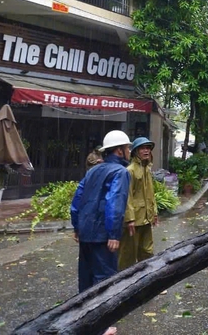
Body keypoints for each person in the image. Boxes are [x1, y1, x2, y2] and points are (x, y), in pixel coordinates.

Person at [70, 130, 131, 335]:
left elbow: (77, 200)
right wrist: (114, 234)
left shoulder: (93, 171)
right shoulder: (120, 172)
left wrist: (77, 226)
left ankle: (83, 322)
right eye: (128, 147)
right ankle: (102, 326)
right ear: (120, 150)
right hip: (103, 234)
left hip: (86, 232)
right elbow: (115, 203)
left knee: (86, 279)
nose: (130, 151)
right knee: (105, 280)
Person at [118, 137, 158, 271]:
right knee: (128, 254)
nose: (146, 151)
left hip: (146, 218)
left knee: (147, 251)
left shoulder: (147, 169)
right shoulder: (130, 170)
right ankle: (123, 283)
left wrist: (154, 213)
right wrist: (129, 219)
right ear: (135, 151)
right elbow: (127, 196)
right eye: (142, 148)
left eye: (148, 148)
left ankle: (146, 278)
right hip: (134, 220)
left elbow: (150, 193)